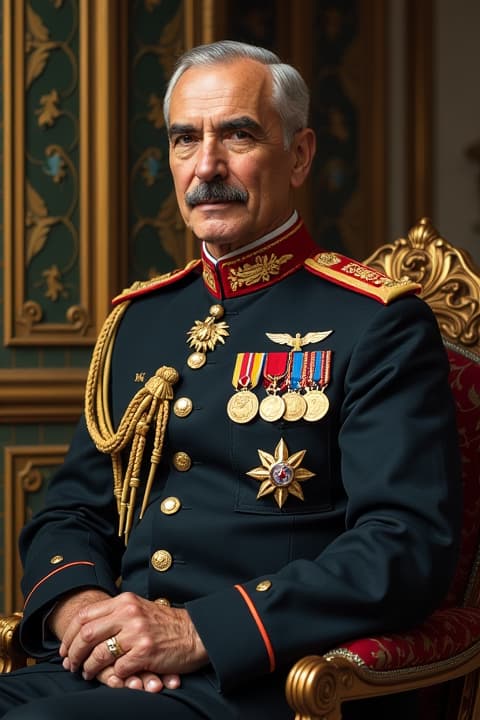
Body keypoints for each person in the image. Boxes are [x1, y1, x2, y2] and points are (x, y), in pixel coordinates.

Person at [0, 40, 461, 719]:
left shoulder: (374, 322)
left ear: (300, 155)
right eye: (186, 140)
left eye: (237, 135)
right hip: (112, 671)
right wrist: (81, 613)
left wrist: (198, 632)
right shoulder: (139, 320)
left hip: (260, 680)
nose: (207, 167)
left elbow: (404, 546)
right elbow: (71, 512)